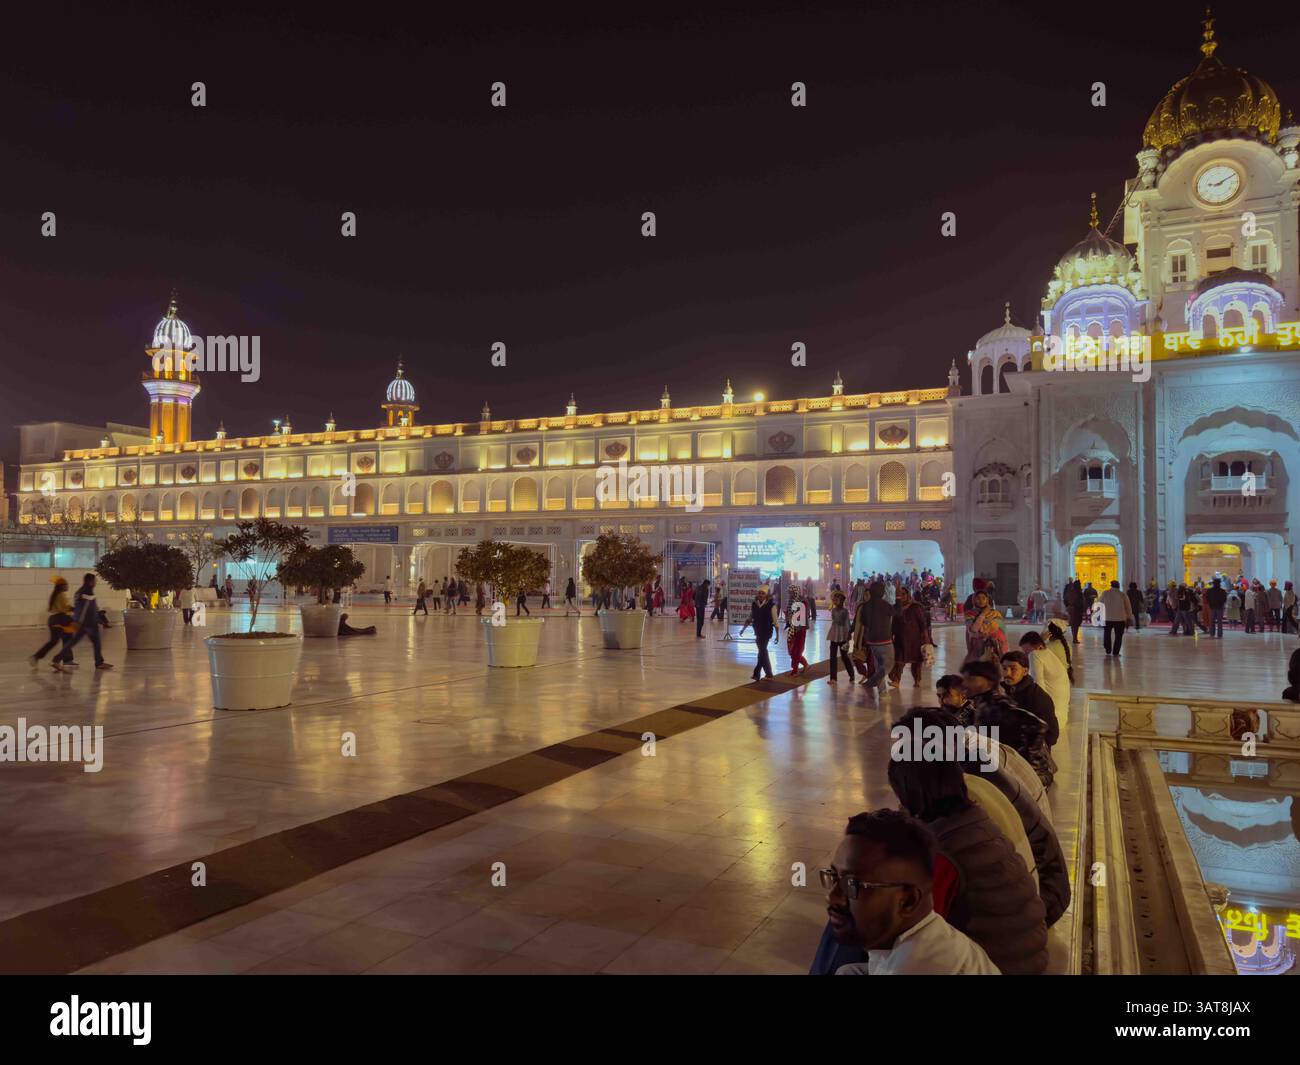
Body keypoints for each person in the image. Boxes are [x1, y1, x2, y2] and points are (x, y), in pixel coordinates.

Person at [886, 740, 1049, 974]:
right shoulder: (975, 819)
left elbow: (921, 930)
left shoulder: (943, 852)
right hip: (1027, 958)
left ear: (910, 795)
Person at [822, 809, 999, 976]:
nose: (832, 897)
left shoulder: (919, 966)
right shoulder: (928, 931)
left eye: (852, 883)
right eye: (833, 876)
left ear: (908, 900)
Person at [961, 660, 1051, 786]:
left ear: (988, 682)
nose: (964, 683)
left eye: (970, 679)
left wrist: (1027, 764)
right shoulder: (980, 705)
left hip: (1030, 779)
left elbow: (1038, 725)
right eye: (964, 679)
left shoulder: (996, 705)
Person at [1000, 651, 1059, 751]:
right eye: (1004, 668)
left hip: (1027, 756)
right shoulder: (1002, 690)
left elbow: (1052, 736)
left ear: (1025, 671)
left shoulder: (1037, 698)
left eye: (1013, 669)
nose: (1007, 673)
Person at [1018, 630, 1071, 727]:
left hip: (1049, 722)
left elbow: (1038, 690)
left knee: (996, 721)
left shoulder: (1035, 655)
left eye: (1026, 652)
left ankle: (986, 741)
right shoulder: (1048, 653)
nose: (1026, 656)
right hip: (1061, 718)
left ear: (1038, 647)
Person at [31, 577, 79, 671]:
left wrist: (71, 609)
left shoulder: (56, 595)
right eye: (66, 585)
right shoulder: (61, 595)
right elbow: (64, 609)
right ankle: (65, 660)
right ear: (62, 586)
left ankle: (37, 657)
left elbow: (62, 607)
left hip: (54, 619)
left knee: (58, 640)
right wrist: (74, 610)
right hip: (60, 620)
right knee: (67, 639)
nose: (67, 586)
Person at [889, 586, 934, 687]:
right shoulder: (896, 607)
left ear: (908, 595)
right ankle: (896, 681)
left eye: (904, 594)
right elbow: (893, 624)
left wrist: (926, 638)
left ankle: (917, 680)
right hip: (900, 639)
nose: (902, 596)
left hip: (914, 640)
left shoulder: (915, 607)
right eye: (899, 594)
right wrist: (891, 636)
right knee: (899, 661)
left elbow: (922, 624)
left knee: (916, 662)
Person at [67, 573, 113, 670]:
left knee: (76, 641)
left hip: (85, 622)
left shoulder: (79, 591)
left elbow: (81, 608)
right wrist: (80, 621)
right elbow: (84, 609)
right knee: (91, 642)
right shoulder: (87, 592)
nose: (96, 582)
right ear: (91, 581)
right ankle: (99, 662)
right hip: (87, 623)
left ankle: (99, 662)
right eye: (95, 581)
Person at [964, 590, 1006, 664]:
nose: (981, 600)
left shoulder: (995, 613)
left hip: (994, 646)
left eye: (983, 598)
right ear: (974, 600)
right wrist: (983, 614)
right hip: (977, 647)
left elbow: (1000, 629)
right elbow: (974, 629)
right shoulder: (969, 614)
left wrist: (983, 627)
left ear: (987, 600)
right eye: (978, 598)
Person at [1099, 579, 1134, 657]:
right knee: (1119, 636)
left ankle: (1108, 649)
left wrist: (1099, 615)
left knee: (1107, 634)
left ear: (1111, 586)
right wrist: (1129, 617)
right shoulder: (1122, 595)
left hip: (1107, 618)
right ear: (1118, 586)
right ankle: (1116, 652)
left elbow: (1100, 604)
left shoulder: (1105, 593)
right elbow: (1128, 607)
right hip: (1120, 619)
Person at [750, 587, 777, 681]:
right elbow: (752, 616)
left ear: (766, 595)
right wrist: (743, 629)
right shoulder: (754, 604)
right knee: (763, 652)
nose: (761, 595)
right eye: (759, 593)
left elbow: (775, 621)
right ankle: (769, 674)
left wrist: (777, 635)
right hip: (757, 632)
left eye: (763, 593)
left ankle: (757, 673)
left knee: (762, 651)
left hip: (766, 632)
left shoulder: (771, 605)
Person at [785, 593, 810, 675]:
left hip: (799, 629)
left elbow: (801, 617)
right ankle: (805, 665)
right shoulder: (791, 602)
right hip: (792, 629)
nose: (790, 594)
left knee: (796, 650)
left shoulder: (803, 602)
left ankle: (795, 670)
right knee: (792, 650)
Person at [1064, 579, 1085, 643]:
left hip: (1071, 609)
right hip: (1077, 610)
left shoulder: (1070, 591)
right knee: (1076, 624)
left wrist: (1067, 606)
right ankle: (1075, 638)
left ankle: (1074, 637)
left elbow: (1065, 599)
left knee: (1073, 624)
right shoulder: (1078, 592)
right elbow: (1081, 602)